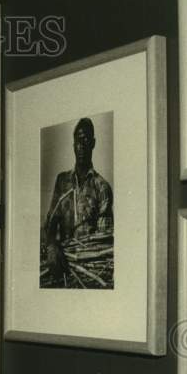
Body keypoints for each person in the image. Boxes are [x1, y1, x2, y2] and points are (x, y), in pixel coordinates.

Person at [41, 117, 114, 288]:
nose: (81, 146)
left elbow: (103, 241)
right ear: (73, 145)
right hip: (59, 270)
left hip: (90, 272)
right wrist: (52, 244)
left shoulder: (101, 187)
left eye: (86, 140)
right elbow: (50, 224)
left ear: (93, 143)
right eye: (77, 141)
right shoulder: (62, 181)